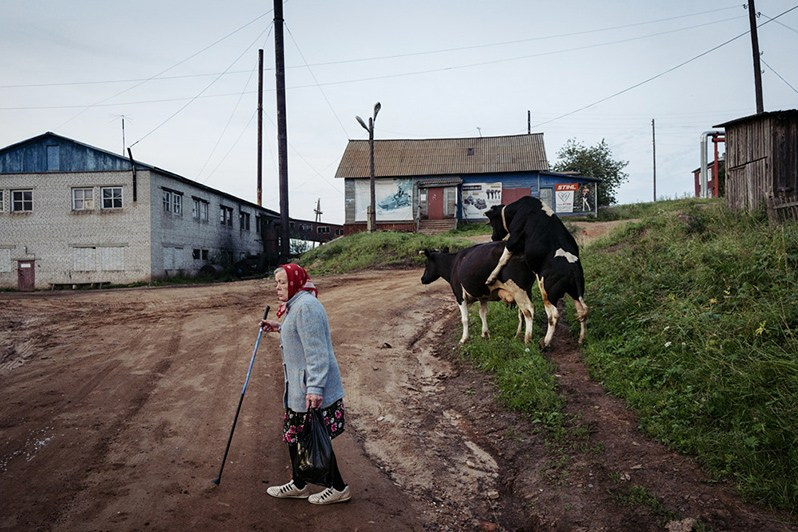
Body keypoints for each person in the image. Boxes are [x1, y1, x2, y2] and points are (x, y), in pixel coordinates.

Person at [261, 263, 350, 505]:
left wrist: (315, 389)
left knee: (314, 436)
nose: (277, 287)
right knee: (295, 436)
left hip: (309, 388)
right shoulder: (297, 305)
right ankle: (299, 484)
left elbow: (317, 351)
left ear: (294, 281)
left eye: (282, 282)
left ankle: (338, 488)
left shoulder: (306, 307)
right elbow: (300, 335)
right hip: (299, 388)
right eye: (276, 283)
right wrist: (279, 328)